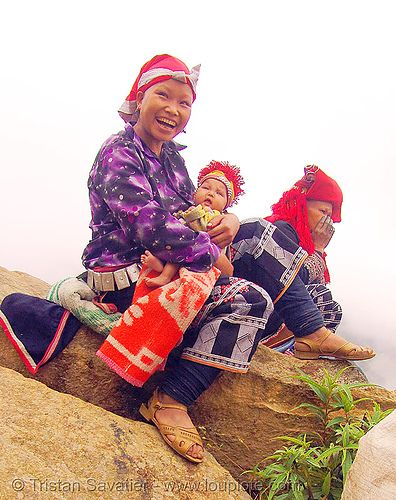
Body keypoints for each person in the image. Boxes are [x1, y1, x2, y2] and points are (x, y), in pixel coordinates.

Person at [0, 54, 375, 466]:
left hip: (171, 265)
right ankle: (179, 398)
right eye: (163, 95)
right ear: (139, 97)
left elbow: (187, 215)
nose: (174, 109)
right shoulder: (119, 153)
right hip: (129, 274)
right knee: (253, 262)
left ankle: (171, 396)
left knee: (253, 292)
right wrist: (213, 253)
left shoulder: (173, 159)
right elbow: (154, 230)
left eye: (184, 102)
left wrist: (225, 222)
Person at [263, 165, 344, 353]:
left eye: (330, 216)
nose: (327, 221)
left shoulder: (303, 241)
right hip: (264, 307)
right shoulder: (280, 228)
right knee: (320, 298)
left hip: (278, 312)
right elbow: (293, 281)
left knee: (332, 308)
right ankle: (284, 352)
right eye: (323, 212)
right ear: (302, 206)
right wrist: (317, 249)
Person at [140, 160, 244, 287]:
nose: (210, 193)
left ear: (225, 205)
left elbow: (203, 226)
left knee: (182, 247)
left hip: (205, 258)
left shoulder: (219, 218)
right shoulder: (188, 209)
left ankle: (165, 275)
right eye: (205, 188)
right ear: (194, 194)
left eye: (219, 193)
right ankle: (161, 269)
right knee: (178, 244)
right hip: (186, 246)